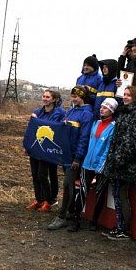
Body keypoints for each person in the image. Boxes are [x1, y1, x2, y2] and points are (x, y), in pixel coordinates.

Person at [102, 86, 136, 239]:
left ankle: (124, 229)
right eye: (124, 94)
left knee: (121, 195)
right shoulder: (124, 113)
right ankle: (120, 225)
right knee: (116, 194)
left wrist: (118, 160)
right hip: (118, 161)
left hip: (127, 164)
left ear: (135, 97)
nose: (125, 97)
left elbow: (131, 143)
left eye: (129, 95)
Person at [47, 86, 93, 232]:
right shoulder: (71, 111)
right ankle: (70, 211)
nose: (73, 98)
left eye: (76, 96)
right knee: (69, 185)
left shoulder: (87, 114)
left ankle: (62, 217)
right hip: (66, 154)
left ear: (82, 97)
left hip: (75, 157)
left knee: (68, 184)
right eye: (72, 96)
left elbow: (84, 138)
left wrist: (78, 158)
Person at [79, 97, 118, 231]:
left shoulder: (114, 126)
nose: (102, 109)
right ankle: (76, 218)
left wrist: (102, 164)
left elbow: (110, 148)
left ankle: (94, 221)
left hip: (102, 165)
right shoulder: (95, 123)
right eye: (101, 106)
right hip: (87, 163)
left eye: (106, 107)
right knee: (83, 189)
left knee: (100, 192)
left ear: (112, 111)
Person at [25, 90, 66, 212]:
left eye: (48, 97)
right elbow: (31, 130)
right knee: (35, 174)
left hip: (48, 149)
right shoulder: (38, 112)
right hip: (37, 146)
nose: (45, 98)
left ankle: (49, 200)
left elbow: (60, 129)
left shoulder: (60, 113)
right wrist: (27, 146)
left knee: (42, 174)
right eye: (44, 96)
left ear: (54, 99)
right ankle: (39, 199)